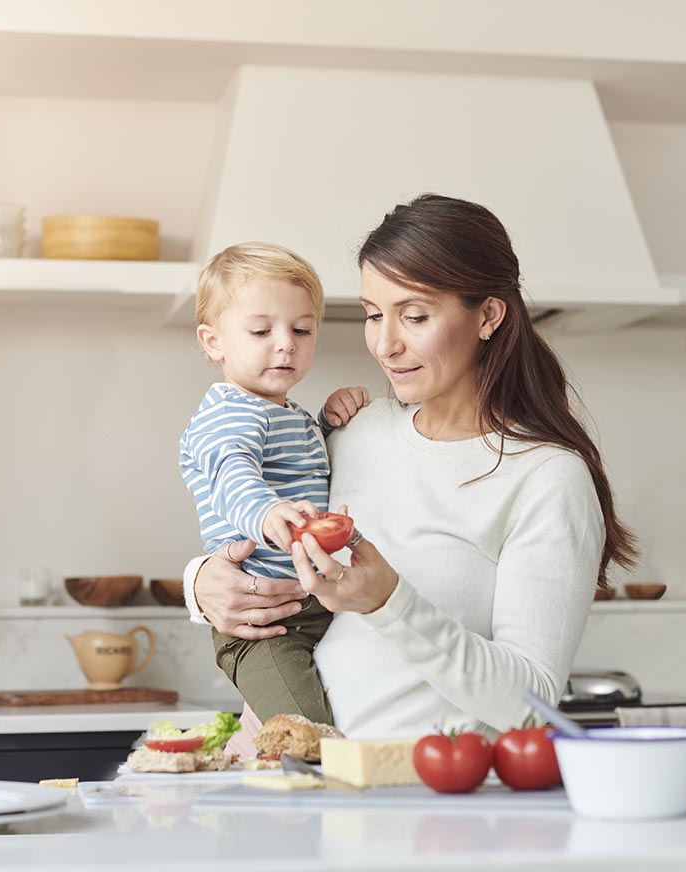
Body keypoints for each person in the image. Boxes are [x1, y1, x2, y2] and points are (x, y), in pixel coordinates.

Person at [183, 194, 638, 749]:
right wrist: (201, 583)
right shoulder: (352, 432)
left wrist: (388, 601)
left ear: (488, 315)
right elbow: (248, 512)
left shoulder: (547, 478)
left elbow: (531, 706)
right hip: (290, 792)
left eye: (415, 316)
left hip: (426, 810)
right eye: (374, 315)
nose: (385, 343)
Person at [178, 242, 369, 724]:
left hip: (315, 604)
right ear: (213, 341)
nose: (286, 342)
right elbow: (231, 471)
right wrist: (264, 513)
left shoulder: (287, 413)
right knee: (305, 735)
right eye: (262, 330)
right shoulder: (229, 413)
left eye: (302, 329)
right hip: (262, 624)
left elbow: (307, 467)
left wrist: (328, 421)